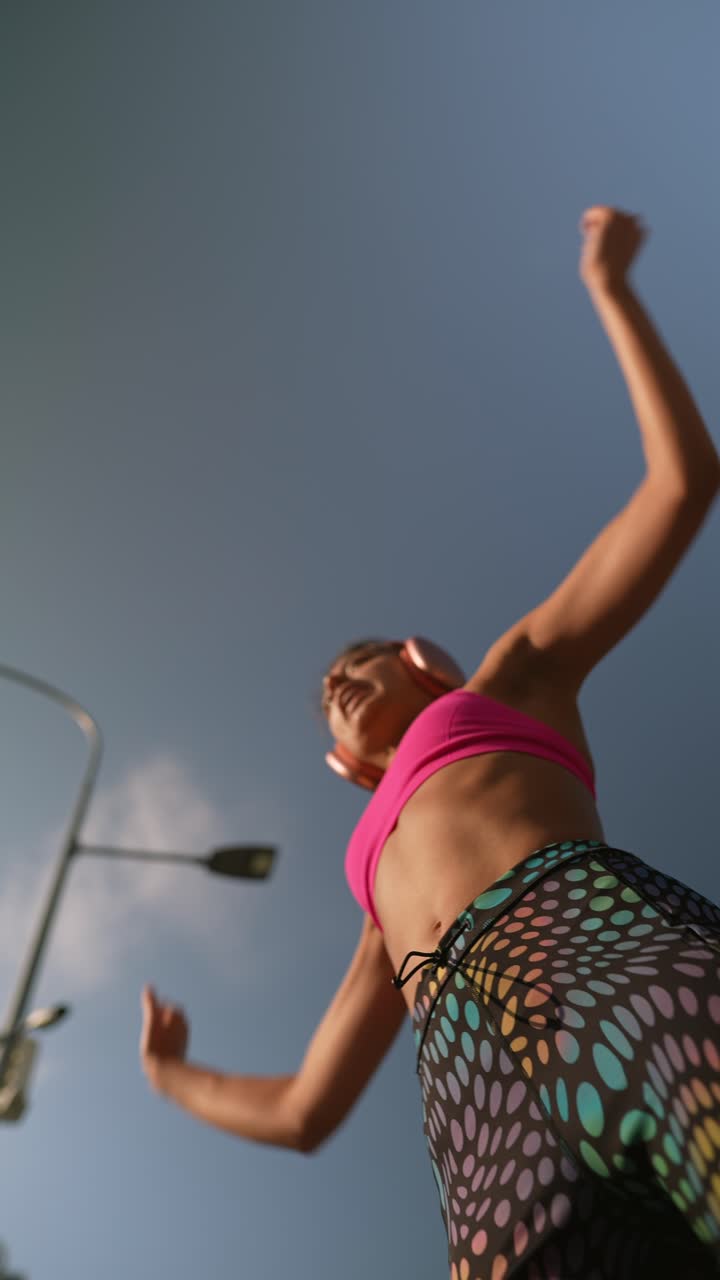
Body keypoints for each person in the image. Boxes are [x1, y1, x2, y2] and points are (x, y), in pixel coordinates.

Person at [140, 207, 720, 1279]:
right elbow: (308, 1107)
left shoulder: (515, 678)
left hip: (600, 950)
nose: (334, 681)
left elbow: (681, 485)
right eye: (326, 694)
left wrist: (611, 287)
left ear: (422, 660)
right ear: (348, 772)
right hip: (476, 1087)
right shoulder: (376, 905)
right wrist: (172, 1076)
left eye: (355, 662)